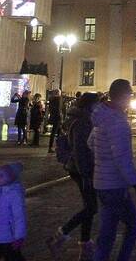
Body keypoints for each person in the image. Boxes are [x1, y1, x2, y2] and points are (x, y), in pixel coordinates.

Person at [89, 79, 136, 261]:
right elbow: (123, 160)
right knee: (133, 226)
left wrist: (103, 157)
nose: (131, 99)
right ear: (123, 97)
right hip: (114, 184)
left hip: (101, 182)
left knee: (107, 233)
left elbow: (90, 143)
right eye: (130, 95)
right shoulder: (118, 122)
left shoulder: (102, 117)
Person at [48, 92, 100, 260]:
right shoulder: (82, 122)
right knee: (91, 207)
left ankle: (85, 245)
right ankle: (59, 236)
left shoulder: (81, 119)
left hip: (81, 168)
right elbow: (80, 150)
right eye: (96, 104)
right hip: (81, 169)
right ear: (89, 105)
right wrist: (86, 174)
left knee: (89, 207)